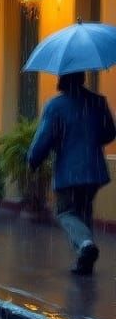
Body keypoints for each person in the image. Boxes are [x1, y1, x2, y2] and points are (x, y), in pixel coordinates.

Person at [28, 71, 116, 275]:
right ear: (82, 78)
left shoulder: (56, 106)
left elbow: (44, 138)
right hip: (93, 170)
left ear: (62, 80)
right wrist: (91, 139)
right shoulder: (98, 101)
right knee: (84, 212)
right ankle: (84, 262)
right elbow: (110, 132)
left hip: (69, 171)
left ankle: (85, 245)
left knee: (65, 212)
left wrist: (33, 159)